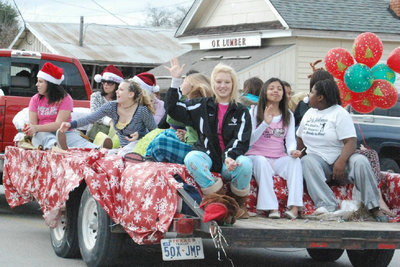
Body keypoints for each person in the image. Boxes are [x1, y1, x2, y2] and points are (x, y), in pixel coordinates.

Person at [164, 58, 253, 219]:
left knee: (246, 163)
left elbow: (242, 139)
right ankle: (221, 199)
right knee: (191, 158)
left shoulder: (241, 111)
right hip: (207, 155)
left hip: (229, 160)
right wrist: (175, 81)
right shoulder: (201, 105)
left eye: (227, 82)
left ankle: (239, 204)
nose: (222, 86)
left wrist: (230, 157)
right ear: (213, 83)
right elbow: (173, 109)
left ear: (233, 84)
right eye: (218, 81)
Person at [296, 74, 388, 222]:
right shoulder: (309, 113)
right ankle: (328, 206)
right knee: (306, 161)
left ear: (320, 97)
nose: (309, 94)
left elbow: (350, 142)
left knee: (361, 161)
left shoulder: (339, 113)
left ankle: (374, 208)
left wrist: (341, 161)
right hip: (319, 162)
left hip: (341, 161)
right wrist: (298, 154)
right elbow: (300, 137)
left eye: (312, 92)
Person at [246, 78, 303, 219]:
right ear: (264, 91)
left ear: (283, 94)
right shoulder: (254, 111)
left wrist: (292, 152)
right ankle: (271, 208)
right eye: (271, 88)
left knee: (295, 162)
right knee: (261, 161)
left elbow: (290, 141)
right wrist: (265, 123)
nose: (275, 91)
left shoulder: (288, 114)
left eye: (279, 88)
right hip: (256, 154)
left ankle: (295, 207)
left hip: (278, 156)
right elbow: (250, 140)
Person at [58, 79, 156, 151]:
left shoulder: (142, 111)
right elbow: (90, 118)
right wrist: (71, 124)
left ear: (131, 94)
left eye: (121, 90)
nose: (117, 92)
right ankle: (73, 149)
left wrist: (141, 134)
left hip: (139, 149)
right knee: (105, 154)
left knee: (116, 153)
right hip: (122, 150)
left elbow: (155, 132)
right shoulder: (112, 106)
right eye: (117, 89)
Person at [25, 62, 97, 150]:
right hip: (41, 133)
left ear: (50, 84)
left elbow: (59, 124)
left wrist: (36, 128)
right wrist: (32, 129)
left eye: (40, 82)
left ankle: (100, 149)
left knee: (78, 141)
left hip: (63, 132)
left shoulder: (66, 99)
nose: (37, 84)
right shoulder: (35, 99)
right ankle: (56, 147)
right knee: (44, 138)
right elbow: (33, 125)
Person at [145, 73, 213, 164]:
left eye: (184, 84)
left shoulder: (199, 105)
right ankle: (148, 158)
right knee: (167, 133)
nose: (181, 86)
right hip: (192, 144)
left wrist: (181, 94)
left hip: (198, 152)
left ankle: (153, 162)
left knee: (162, 142)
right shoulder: (196, 103)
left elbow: (172, 117)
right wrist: (186, 135)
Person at [87, 65, 124, 142]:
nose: (106, 84)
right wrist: (110, 121)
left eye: (110, 82)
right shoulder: (96, 96)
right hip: (95, 135)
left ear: (117, 85)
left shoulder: (121, 99)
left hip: (116, 135)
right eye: (103, 81)